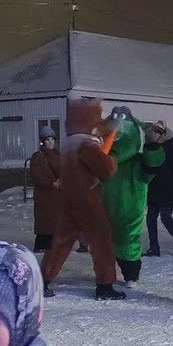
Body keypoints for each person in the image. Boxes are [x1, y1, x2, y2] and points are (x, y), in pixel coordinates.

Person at [41, 96, 125, 300]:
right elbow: (105, 169)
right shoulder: (87, 146)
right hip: (89, 199)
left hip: (69, 198)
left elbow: (97, 129)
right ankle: (105, 285)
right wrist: (112, 160)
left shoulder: (69, 145)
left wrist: (110, 128)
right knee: (101, 241)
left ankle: (40, 279)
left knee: (60, 242)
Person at [102, 106, 165, 286]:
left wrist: (152, 145)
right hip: (104, 211)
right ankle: (105, 278)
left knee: (127, 244)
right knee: (104, 245)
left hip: (128, 213)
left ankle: (131, 275)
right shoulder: (103, 162)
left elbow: (153, 164)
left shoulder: (136, 162)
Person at [144, 121, 173, 258]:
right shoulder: (149, 147)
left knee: (166, 218)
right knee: (150, 218)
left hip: (167, 190)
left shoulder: (171, 148)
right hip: (153, 189)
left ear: (164, 134)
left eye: (159, 132)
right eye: (154, 131)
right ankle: (154, 248)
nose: (155, 134)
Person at [30, 126, 61, 252]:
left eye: (52, 139)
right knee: (45, 222)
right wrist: (51, 183)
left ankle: (52, 244)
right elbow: (36, 175)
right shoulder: (38, 156)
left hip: (57, 195)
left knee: (55, 221)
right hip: (44, 195)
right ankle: (40, 245)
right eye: (47, 139)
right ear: (43, 141)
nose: (50, 142)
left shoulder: (59, 155)